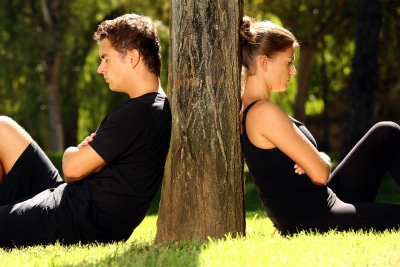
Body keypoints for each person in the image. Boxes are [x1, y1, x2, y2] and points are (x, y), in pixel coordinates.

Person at [0, 13, 171, 247]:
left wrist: (74, 150)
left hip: (76, 220)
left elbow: (72, 168)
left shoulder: (138, 112)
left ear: (132, 57)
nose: (101, 68)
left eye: (106, 58)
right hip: (72, 203)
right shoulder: (154, 107)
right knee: (3, 128)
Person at [239, 16, 400, 236]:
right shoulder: (262, 113)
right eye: (288, 62)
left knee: (386, 133)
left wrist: (313, 160)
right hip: (316, 218)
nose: (293, 71)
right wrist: (320, 159)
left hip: (321, 202)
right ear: (265, 62)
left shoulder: (251, 109)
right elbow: (320, 174)